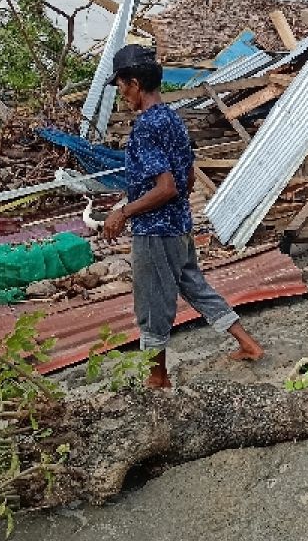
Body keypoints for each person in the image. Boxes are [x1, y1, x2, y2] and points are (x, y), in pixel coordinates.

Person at [101, 43, 264, 388]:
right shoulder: (172, 117)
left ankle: (157, 377)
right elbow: (187, 177)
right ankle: (248, 345)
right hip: (180, 226)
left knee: (151, 305)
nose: (120, 92)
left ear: (133, 83)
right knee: (194, 286)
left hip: (156, 233)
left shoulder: (146, 126)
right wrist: (171, 208)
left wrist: (123, 212)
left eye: (120, 85)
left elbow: (167, 187)